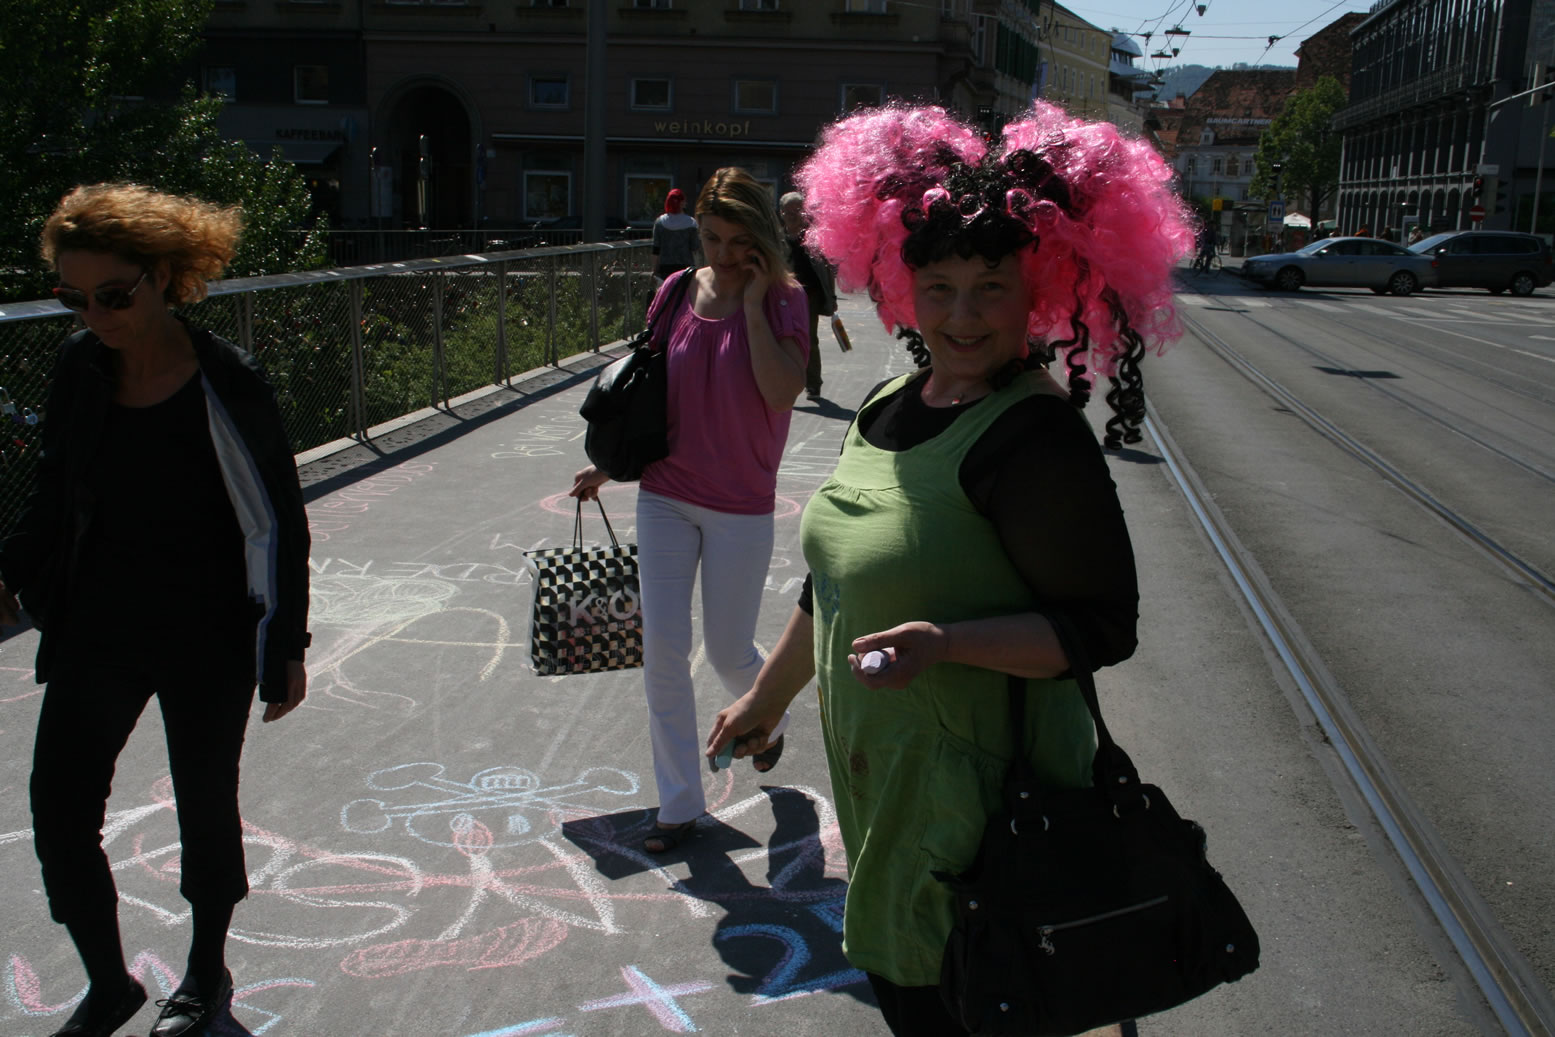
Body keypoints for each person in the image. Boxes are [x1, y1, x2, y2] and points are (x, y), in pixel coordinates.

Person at [705, 103, 1192, 1036]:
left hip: (982, 813)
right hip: (888, 790)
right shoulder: (890, 398)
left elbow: (1099, 627)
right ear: (901, 286)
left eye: (990, 288)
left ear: (1037, 288)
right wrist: (767, 697)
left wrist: (944, 644)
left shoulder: (1033, 436)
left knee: (949, 1006)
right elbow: (834, 582)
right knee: (909, 990)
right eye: (938, 287)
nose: (961, 316)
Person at [0, 183, 311, 1037]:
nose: (93, 314)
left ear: (163, 276)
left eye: (112, 295)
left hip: (204, 632)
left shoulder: (228, 383)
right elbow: (52, 498)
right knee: (59, 812)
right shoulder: (78, 368)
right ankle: (110, 984)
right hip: (96, 626)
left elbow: (279, 522)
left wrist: (285, 645)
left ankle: (206, 974)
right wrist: (8, 577)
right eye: (73, 297)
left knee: (204, 804)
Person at [570, 167, 809, 854]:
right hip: (666, 495)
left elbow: (780, 392)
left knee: (731, 650)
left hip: (739, 503)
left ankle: (769, 709)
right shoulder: (675, 290)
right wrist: (610, 466)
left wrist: (758, 298)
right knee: (664, 651)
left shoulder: (784, 299)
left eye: (740, 240)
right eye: (711, 237)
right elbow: (650, 389)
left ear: (762, 238)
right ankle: (678, 804)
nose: (724, 254)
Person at [779, 191, 837, 400]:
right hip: (783, 295)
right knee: (782, 337)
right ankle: (786, 381)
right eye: (790, 210)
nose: (794, 214)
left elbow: (827, 267)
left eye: (799, 209)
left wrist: (832, 297)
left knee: (809, 338)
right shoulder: (778, 239)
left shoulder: (813, 238)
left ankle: (813, 384)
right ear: (782, 212)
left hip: (809, 295)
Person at [650, 187, 700, 281]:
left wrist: (654, 269)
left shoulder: (660, 222)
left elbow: (656, 249)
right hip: (686, 268)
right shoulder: (691, 223)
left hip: (665, 268)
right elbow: (695, 248)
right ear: (682, 203)